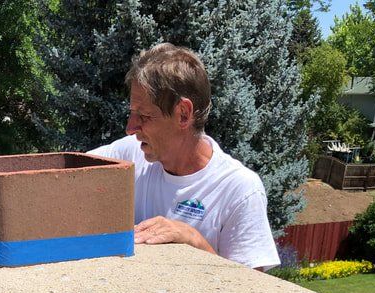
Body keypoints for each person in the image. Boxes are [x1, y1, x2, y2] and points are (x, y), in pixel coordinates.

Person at [89, 44, 280, 271]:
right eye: (132, 113)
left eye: (144, 115)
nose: (130, 128)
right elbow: (69, 172)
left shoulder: (239, 189)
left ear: (183, 114)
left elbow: (253, 291)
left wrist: (193, 240)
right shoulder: (131, 154)